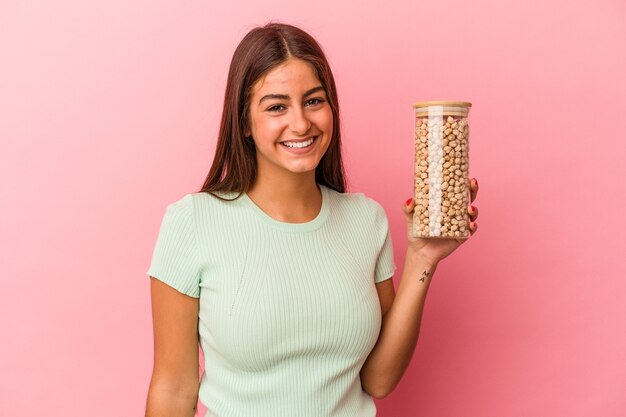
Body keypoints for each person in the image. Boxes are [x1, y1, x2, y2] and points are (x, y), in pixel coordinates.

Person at [144, 21, 479, 417]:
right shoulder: (193, 223)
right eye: (276, 107)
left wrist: (423, 259)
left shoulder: (364, 220)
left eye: (314, 101)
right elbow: (173, 388)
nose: (301, 124)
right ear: (245, 122)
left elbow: (378, 380)